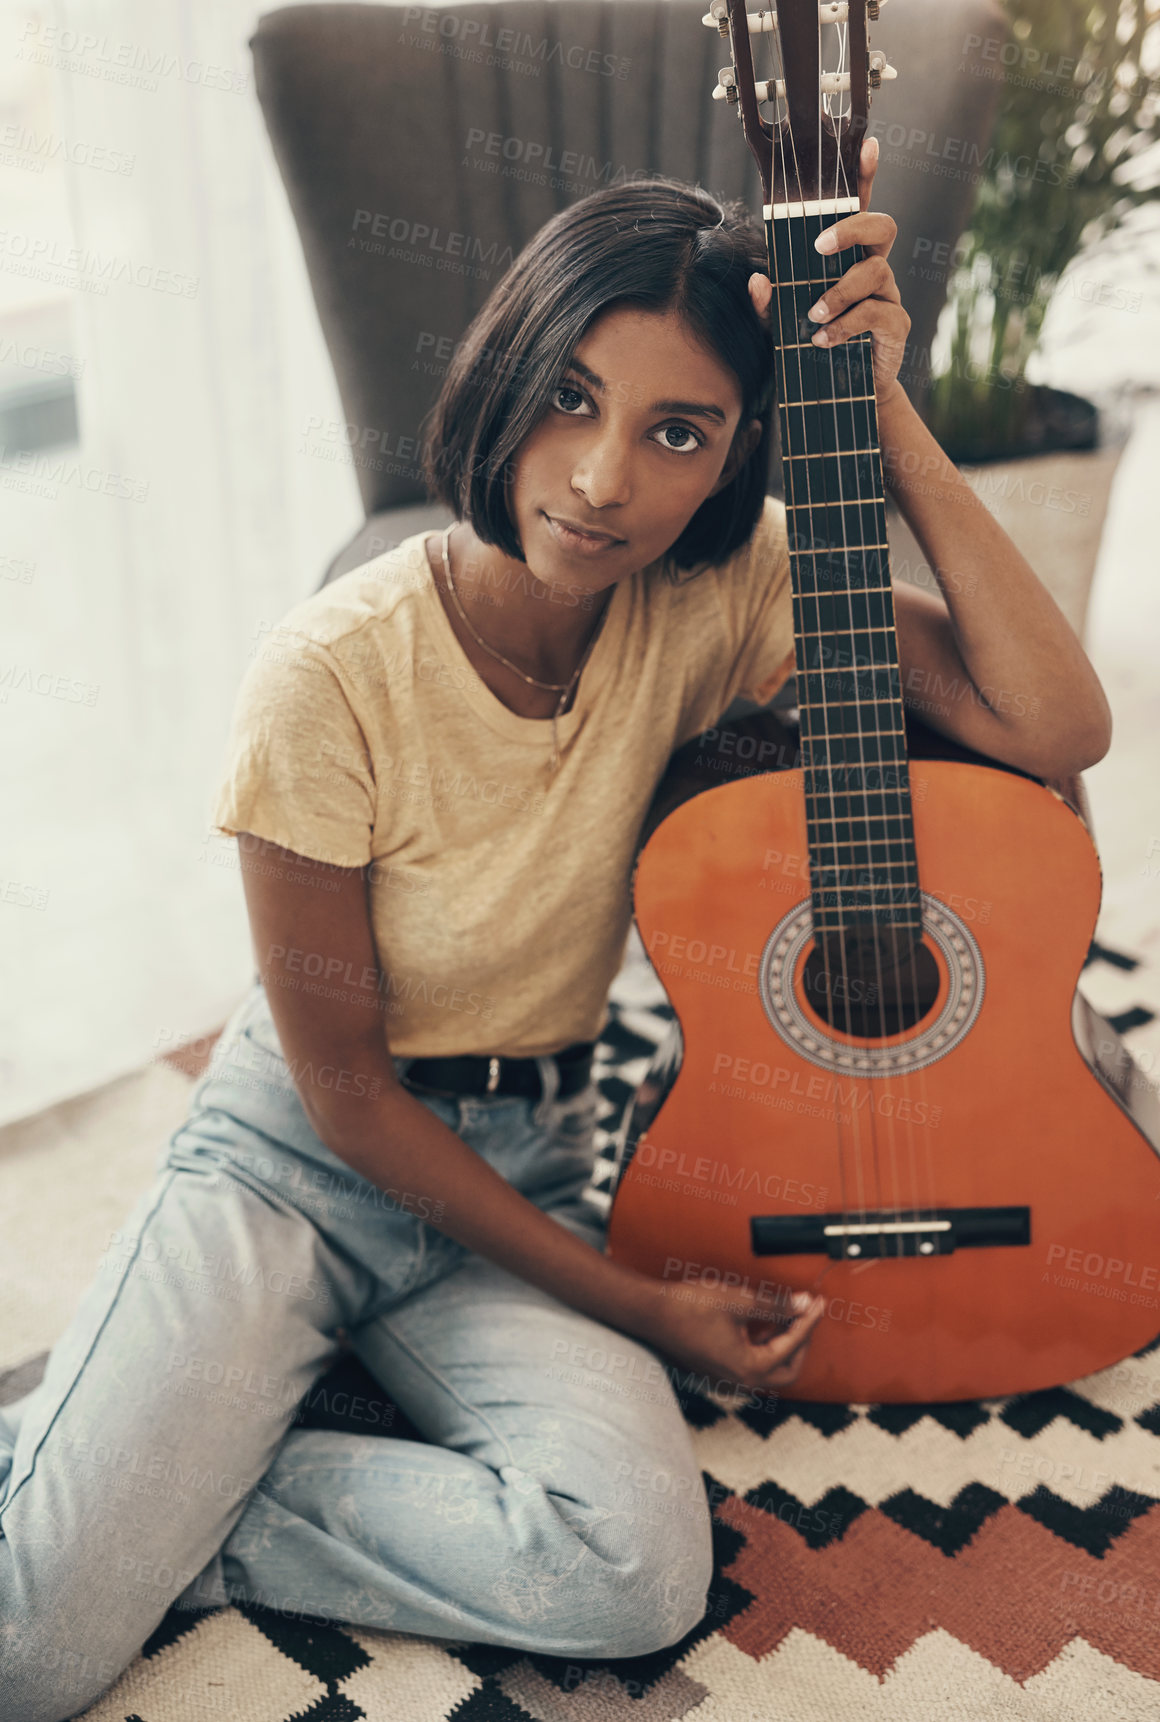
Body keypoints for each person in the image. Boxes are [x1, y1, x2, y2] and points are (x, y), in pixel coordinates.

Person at [0, 149, 1111, 1722]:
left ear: (731, 459)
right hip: (296, 1161)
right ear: (508, 372)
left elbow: (1059, 721)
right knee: (32, 1652)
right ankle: (104, 1491)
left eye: (679, 434)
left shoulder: (718, 596)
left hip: (525, 1169)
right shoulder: (327, 677)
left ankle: (180, 1506)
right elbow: (349, 1098)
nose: (603, 479)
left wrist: (883, 414)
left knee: (632, 1569)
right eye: (573, 399)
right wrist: (644, 1308)